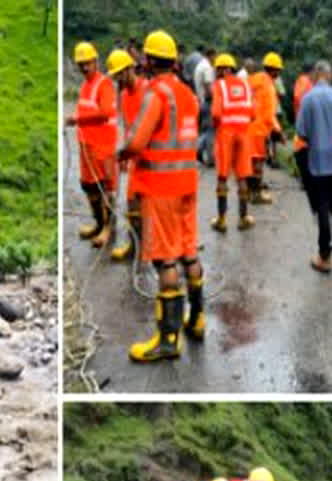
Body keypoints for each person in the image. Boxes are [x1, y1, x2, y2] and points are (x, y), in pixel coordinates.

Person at [119, 30, 202, 362]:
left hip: (162, 188)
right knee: (188, 252)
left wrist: (121, 152)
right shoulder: (187, 94)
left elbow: (137, 142)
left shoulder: (157, 95)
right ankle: (196, 319)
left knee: (165, 259)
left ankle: (168, 339)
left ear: (150, 61)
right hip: (187, 185)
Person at [296, 60, 332, 273]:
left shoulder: (307, 99)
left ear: (317, 74)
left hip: (317, 163)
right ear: (327, 74)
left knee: (322, 208)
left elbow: (301, 132)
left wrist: (316, 136)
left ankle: (324, 257)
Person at [66, 42, 118, 249]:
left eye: (87, 63)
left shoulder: (104, 84)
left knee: (105, 188)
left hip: (102, 147)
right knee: (89, 188)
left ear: (95, 61)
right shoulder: (85, 86)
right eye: (81, 64)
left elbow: (104, 113)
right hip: (87, 147)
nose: (84, 68)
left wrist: (77, 119)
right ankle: (98, 223)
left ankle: (108, 227)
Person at [108, 49, 148, 261]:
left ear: (131, 69)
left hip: (152, 156)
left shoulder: (147, 90)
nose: (118, 80)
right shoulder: (123, 96)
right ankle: (135, 248)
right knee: (131, 201)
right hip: (135, 155)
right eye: (115, 77)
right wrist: (126, 152)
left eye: (120, 75)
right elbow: (127, 126)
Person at [210, 53, 255, 232]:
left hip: (226, 133)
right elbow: (253, 114)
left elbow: (215, 113)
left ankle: (221, 220)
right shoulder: (245, 84)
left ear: (223, 69)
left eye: (219, 69)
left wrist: (218, 127)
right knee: (242, 176)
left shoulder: (219, 85)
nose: (218, 72)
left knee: (222, 176)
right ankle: (243, 218)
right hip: (243, 133)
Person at [247, 53, 284, 205]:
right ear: (274, 70)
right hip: (259, 129)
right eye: (278, 70)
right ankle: (256, 195)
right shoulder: (269, 86)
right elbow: (270, 114)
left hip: (247, 125)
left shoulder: (253, 79)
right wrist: (279, 131)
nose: (279, 74)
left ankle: (249, 192)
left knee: (249, 161)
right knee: (258, 163)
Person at [194, 48, 217, 166]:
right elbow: (208, 86)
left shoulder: (200, 65)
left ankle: (198, 150)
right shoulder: (207, 67)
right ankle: (208, 157)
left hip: (200, 100)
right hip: (207, 101)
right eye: (215, 56)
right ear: (211, 55)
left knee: (205, 129)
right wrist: (215, 99)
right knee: (210, 131)